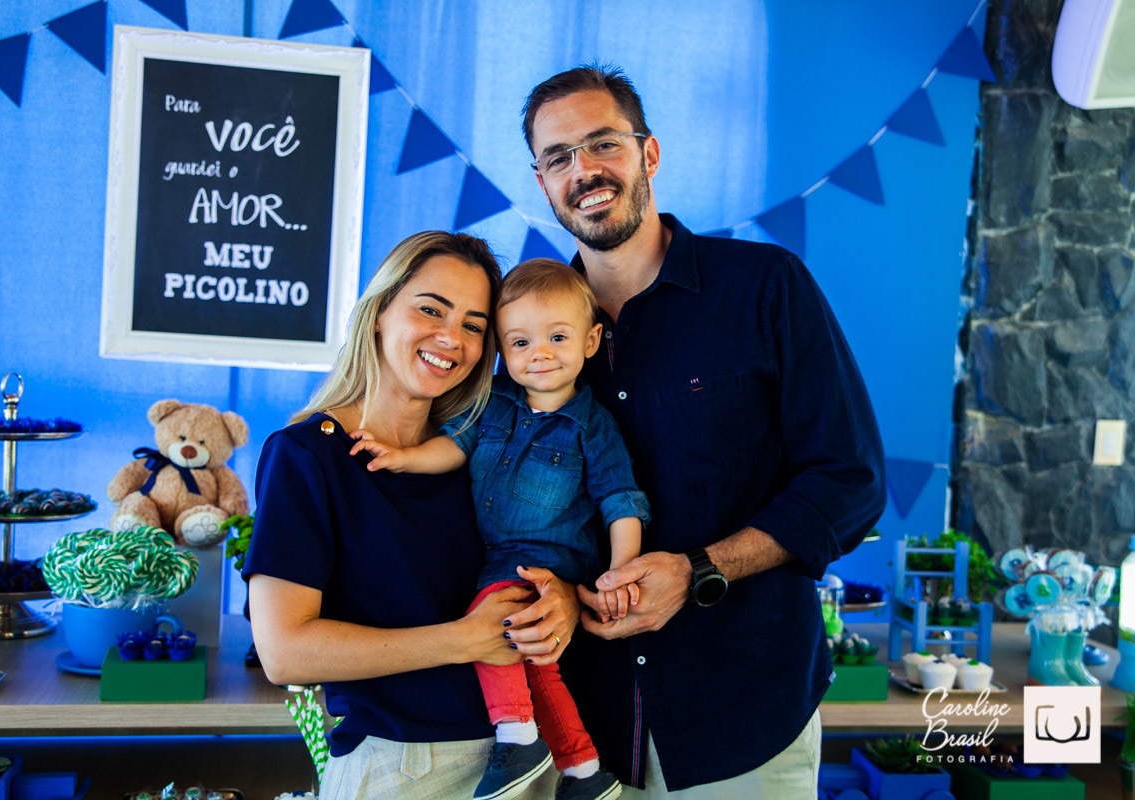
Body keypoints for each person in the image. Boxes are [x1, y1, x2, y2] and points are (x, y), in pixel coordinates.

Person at [520, 66, 887, 799]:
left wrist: (699, 570)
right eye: (558, 157)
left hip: (744, 717)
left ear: (648, 153)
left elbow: (850, 480)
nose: (583, 171)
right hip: (583, 733)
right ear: (542, 182)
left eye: (603, 144)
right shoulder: (527, 331)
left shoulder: (765, 287)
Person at [242, 231, 580, 800]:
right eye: (430, 309)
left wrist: (560, 602)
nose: (451, 338)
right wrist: (464, 640)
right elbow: (284, 653)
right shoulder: (307, 455)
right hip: (403, 768)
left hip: (531, 758)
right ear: (379, 312)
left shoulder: (481, 451)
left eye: (474, 325)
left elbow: (538, 555)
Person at [349, 258, 651, 800]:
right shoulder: (495, 400)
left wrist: (619, 575)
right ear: (501, 351)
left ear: (590, 341)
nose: (539, 353)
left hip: (548, 564)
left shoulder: (593, 427)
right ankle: (584, 770)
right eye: (520, 342)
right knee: (538, 665)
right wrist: (403, 458)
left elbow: (621, 503)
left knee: (492, 624)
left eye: (557, 337)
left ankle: (517, 737)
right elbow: (454, 447)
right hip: (498, 556)